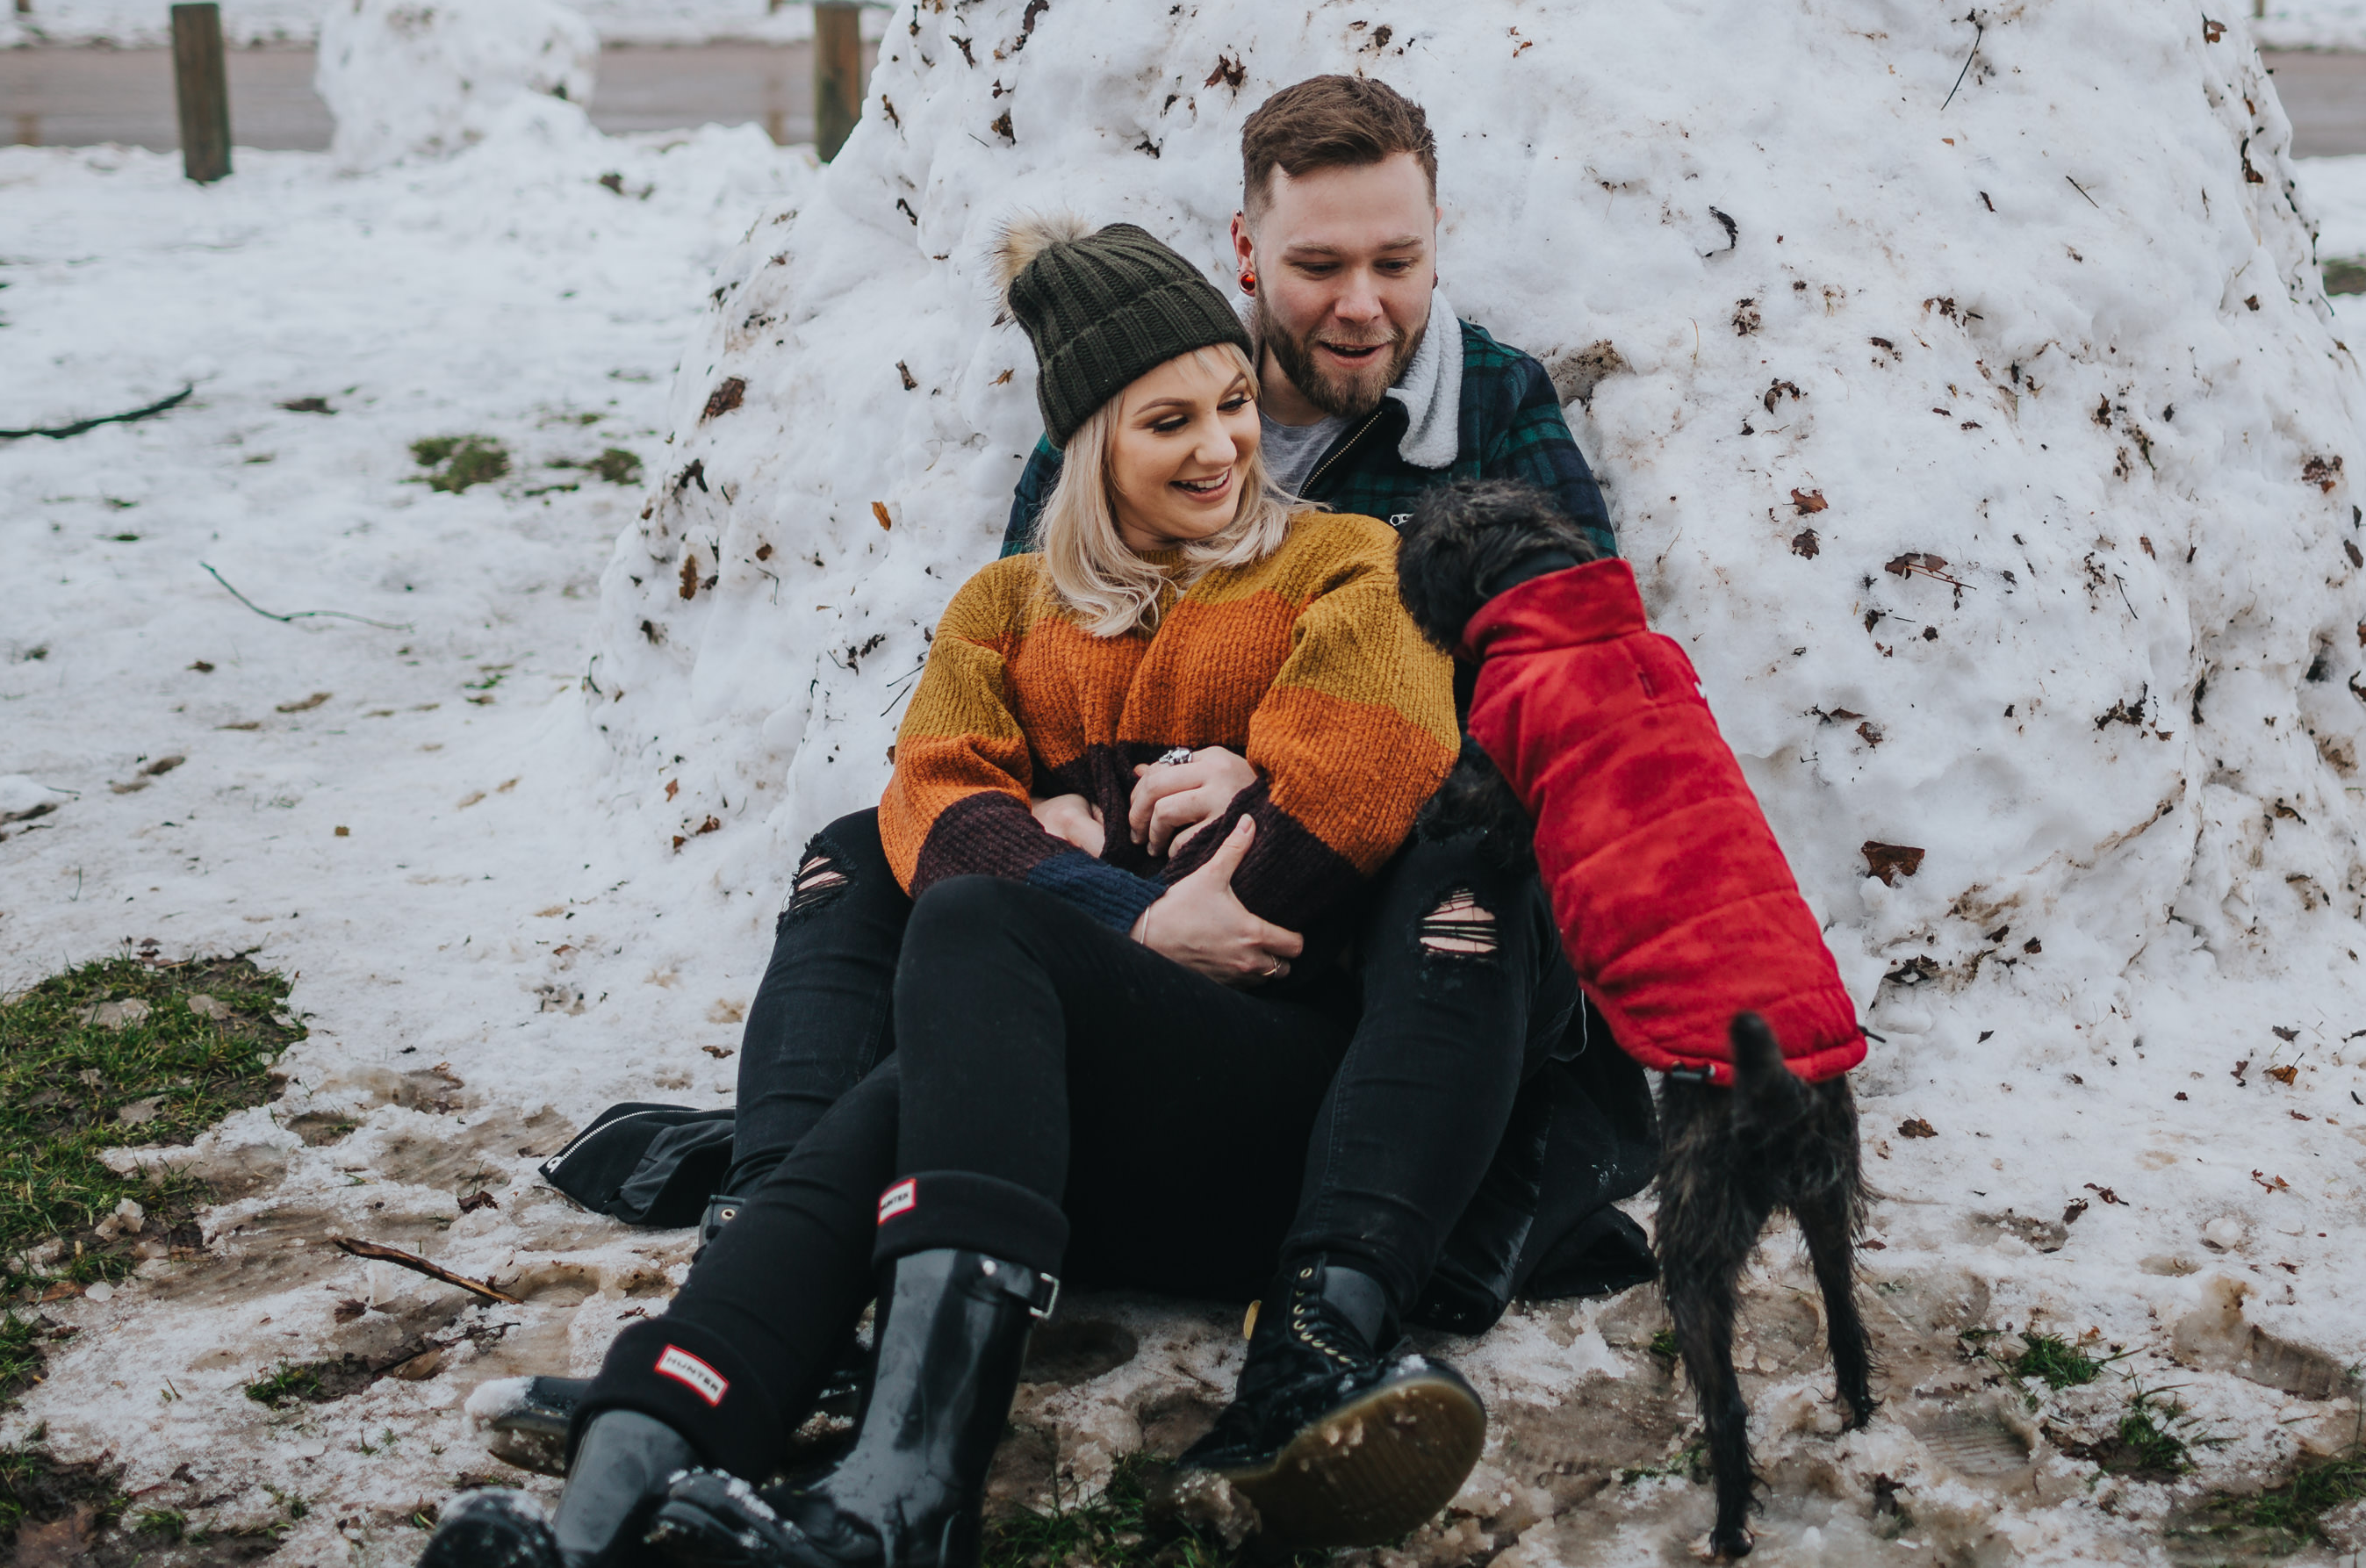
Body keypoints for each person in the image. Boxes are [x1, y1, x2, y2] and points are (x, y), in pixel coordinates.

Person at [533, 76, 1652, 1539]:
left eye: (1398, 262)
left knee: (1457, 841)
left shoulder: (1431, 477)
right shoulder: (1059, 519)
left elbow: (1543, 688)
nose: (1363, 303)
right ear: (1249, 261)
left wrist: (1254, 792)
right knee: (887, 866)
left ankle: (1318, 1323)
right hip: (1142, 911)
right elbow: (1008, 717)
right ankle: (746, 1300)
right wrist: (1116, 874)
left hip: (1344, 917)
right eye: (1321, 266)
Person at [435, 219, 1477, 1568]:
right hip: (1070, 1067)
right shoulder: (1002, 607)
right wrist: (1137, 906)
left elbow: (1370, 763)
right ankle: (617, 1490)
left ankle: (909, 1483)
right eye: (1169, 420)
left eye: (1230, 404)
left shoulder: (1343, 562)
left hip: (1268, 1069)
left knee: (982, 935)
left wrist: (1106, 843)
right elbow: (926, 806)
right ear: (1092, 443)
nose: (1222, 446)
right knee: (913, 1062)